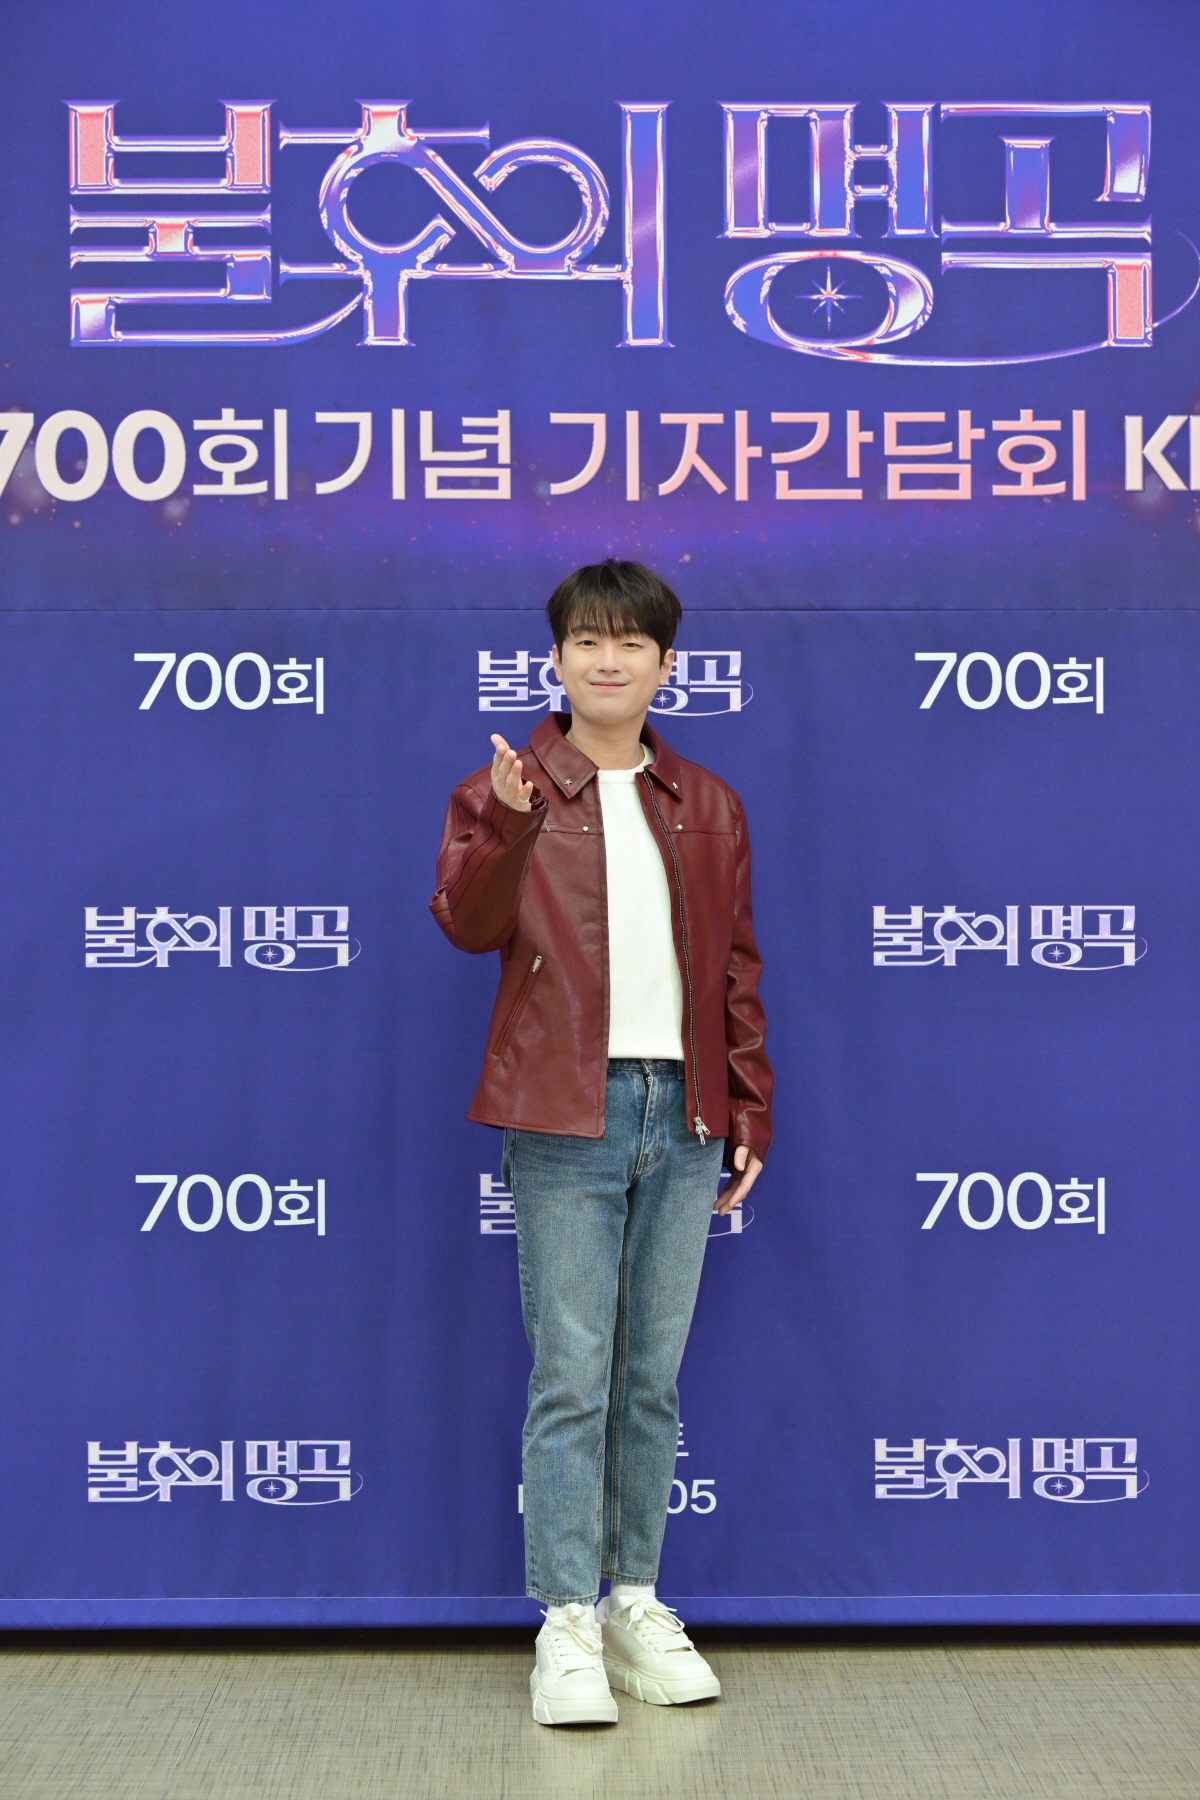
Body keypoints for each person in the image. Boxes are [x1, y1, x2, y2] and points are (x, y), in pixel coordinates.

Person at [430, 559, 772, 1725]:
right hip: (561, 1112)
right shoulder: (506, 788)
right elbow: (466, 924)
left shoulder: (709, 802)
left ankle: (636, 1604)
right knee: (571, 1376)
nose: (609, 659)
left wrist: (748, 1105)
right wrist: (512, 822)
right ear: (558, 659)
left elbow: (735, 968)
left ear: (668, 665)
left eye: (631, 642)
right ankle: (565, 1620)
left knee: (650, 1378)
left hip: (685, 1114)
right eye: (588, 640)